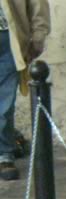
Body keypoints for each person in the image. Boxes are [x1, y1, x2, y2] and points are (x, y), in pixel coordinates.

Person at [0, 0, 50, 180]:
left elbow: (37, 3)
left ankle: (4, 154)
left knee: (4, 103)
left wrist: (38, 34)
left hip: (7, 38)